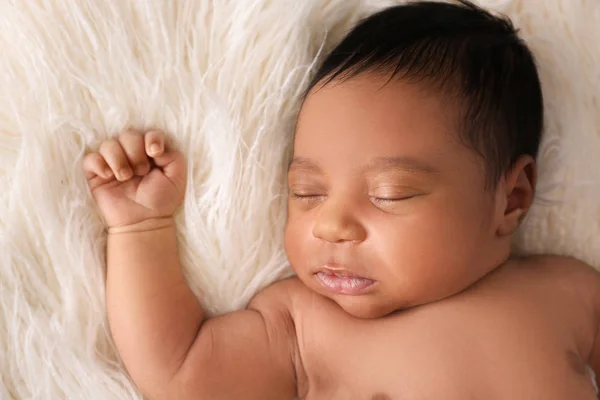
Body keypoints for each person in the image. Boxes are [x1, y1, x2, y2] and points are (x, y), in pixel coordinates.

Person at [82, 1, 600, 398]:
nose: (330, 225)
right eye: (307, 192)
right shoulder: (305, 325)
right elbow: (181, 373)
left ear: (511, 198)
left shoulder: (570, 293)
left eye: (388, 193)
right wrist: (140, 227)